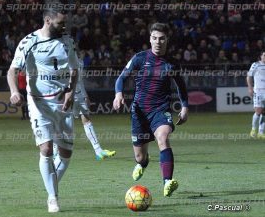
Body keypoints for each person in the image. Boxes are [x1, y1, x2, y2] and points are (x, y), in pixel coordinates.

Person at [7, 5, 78, 213]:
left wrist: (71, 93)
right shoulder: (29, 42)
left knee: (65, 155)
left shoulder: (68, 41)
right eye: (60, 23)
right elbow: (12, 70)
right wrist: (14, 91)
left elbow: (75, 70)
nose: (63, 26)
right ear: (47, 21)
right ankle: (52, 197)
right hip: (39, 104)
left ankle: (51, 185)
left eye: (64, 23)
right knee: (46, 149)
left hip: (63, 104)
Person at [113, 23, 189, 197]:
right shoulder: (140, 58)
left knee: (162, 138)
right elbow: (121, 78)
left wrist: (184, 107)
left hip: (160, 110)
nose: (158, 42)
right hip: (139, 113)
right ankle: (142, 163)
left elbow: (181, 87)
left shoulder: (171, 63)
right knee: (140, 157)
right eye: (154, 38)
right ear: (150, 39)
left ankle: (167, 182)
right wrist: (118, 94)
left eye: (162, 38)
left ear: (167, 40)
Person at [54, 57, 116, 160]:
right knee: (61, 122)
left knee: (87, 120)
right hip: (66, 94)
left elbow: (79, 80)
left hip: (79, 95)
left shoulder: (79, 61)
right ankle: (55, 151)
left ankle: (98, 151)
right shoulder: (62, 59)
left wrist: (85, 95)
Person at [247, 51, 265, 139]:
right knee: (258, 111)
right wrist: (250, 88)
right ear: (261, 56)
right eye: (264, 55)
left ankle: (261, 132)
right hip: (258, 91)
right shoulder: (256, 64)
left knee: (264, 112)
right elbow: (249, 76)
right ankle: (253, 129)